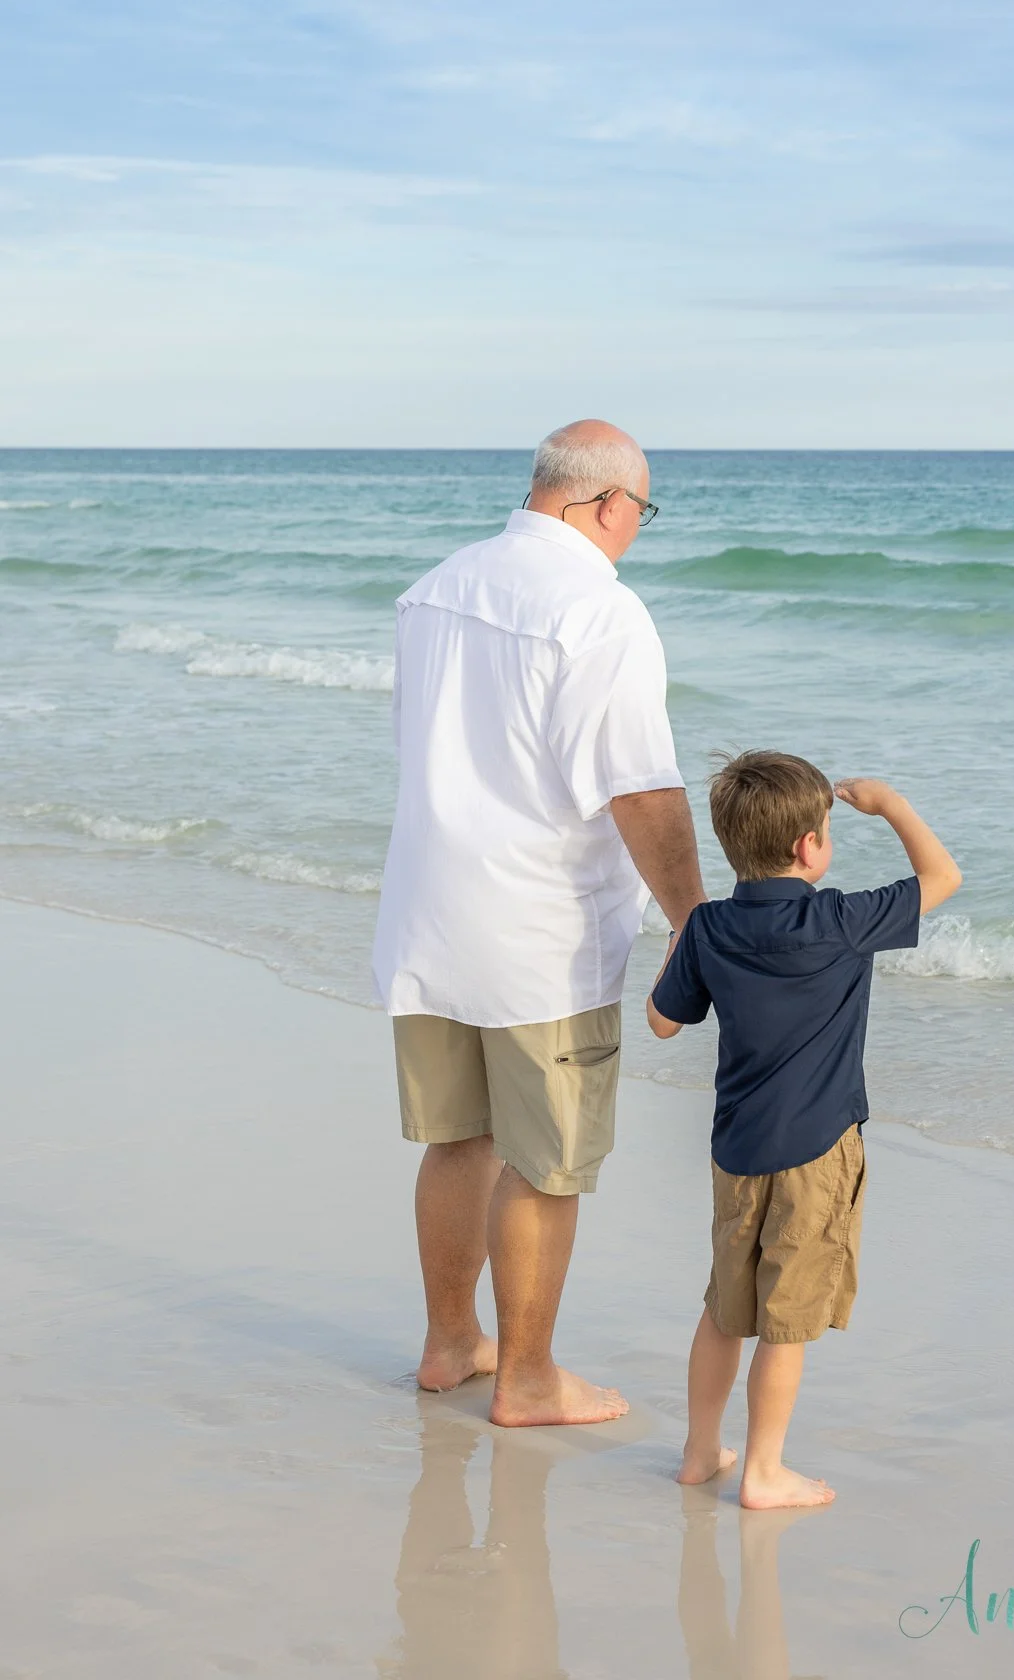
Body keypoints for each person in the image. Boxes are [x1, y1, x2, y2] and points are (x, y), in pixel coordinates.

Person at [373, 419, 706, 1428]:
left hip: (430, 909)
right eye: (640, 512)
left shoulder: (433, 587)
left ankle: (447, 1344)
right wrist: (694, 921)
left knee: (455, 1138)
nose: (636, 529)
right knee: (544, 1161)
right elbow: (641, 790)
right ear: (608, 504)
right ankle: (523, 1377)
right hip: (537, 931)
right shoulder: (599, 609)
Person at [647, 751, 961, 1508]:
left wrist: (683, 942)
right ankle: (762, 1471)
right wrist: (888, 804)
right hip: (817, 1151)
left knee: (726, 1306)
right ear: (810, 847)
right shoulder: (841, 921)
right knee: (785, 1321)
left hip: (737, 1150)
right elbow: (943, 878)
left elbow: (662, 1021)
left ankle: (699, 1454)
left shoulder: (710, 926)